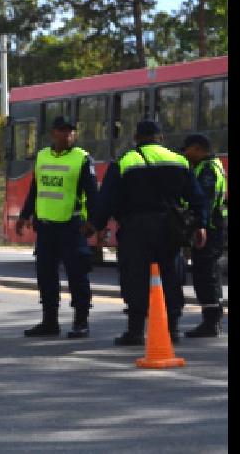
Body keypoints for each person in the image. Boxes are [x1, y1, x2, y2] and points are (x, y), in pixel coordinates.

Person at [90, 119, 208, 345]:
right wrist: (201, 224)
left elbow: (107, 199)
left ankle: (135, 331)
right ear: (161, 137)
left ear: (136, 138)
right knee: (171, 275)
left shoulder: (125, 160)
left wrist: (98, 226)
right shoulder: (179, 160)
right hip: (170, 227)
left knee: (135, 275)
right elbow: (197, 197)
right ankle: (172, 328)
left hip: (135, 228)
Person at [15, 116, 99, 338]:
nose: (69, 135)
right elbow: (35, 189)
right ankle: (49, 321)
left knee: (78, 275)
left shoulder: (82, 159)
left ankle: (81, 321)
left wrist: (94, 222)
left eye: (72, 131)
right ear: (53, 133)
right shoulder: (42, 156)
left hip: (72, 227)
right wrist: (24, 216)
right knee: (46, 276)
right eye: (64, 131)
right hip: (45, 228)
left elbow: (92, 194)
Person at [180, 134, 228, 337]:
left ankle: (211, 322)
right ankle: (211, 320)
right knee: (208, 273)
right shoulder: (206, 166)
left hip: (210, 229)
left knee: (206, 274)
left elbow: (205, 202)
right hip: (211, 228)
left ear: (198, 148)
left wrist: (200, 226)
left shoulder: (208, 170)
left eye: (187, 149)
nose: (184, 154)